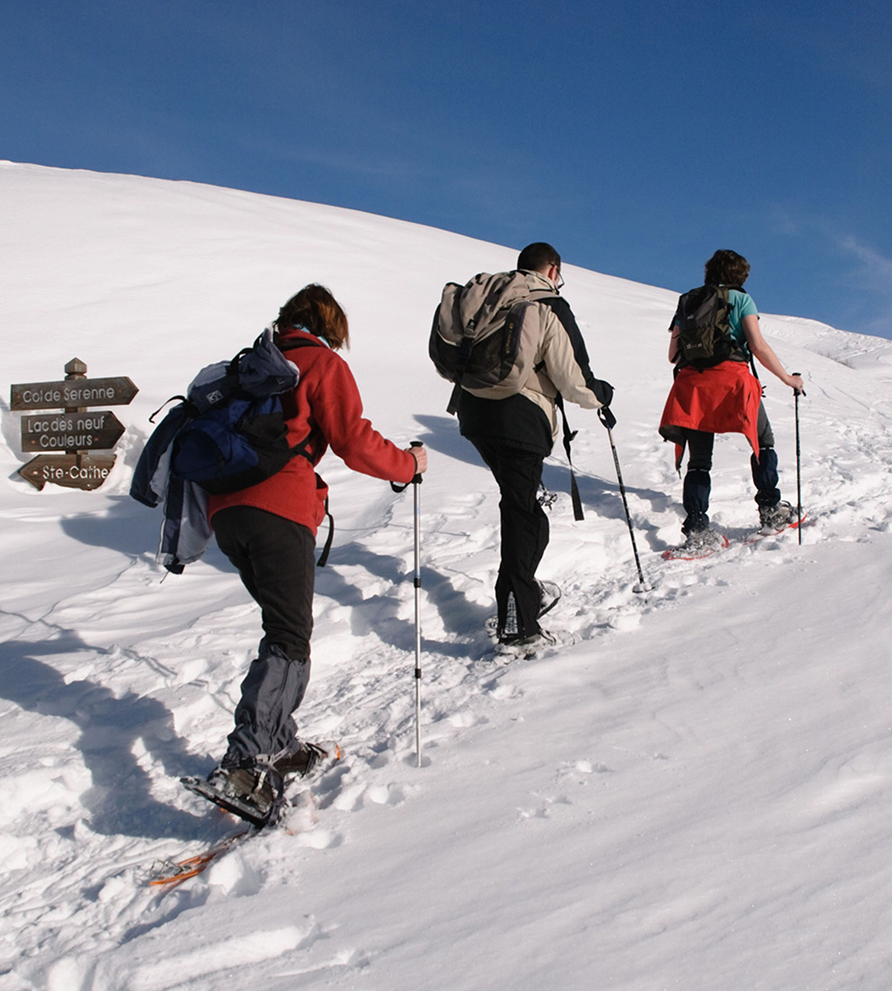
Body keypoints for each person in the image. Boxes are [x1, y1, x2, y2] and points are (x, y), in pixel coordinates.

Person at [199, 284, 427, 824]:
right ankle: (247, 763)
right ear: (330, 327)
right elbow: (353, 440)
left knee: (283, 627)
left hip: (225, 512)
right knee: (288, 636)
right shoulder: (320, 363)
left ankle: (279, 744)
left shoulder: (249, 367)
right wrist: (409, 464)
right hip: (278, 509)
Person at [455, 242, 613, 652]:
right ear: (553, 269)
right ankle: (517, 623)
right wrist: (602, 395)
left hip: (473, 414)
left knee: (520, 507)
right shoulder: (548, 305)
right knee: (524, 515)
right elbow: (573, 378)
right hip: (520, 420)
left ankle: (523, 598)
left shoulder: (491, 298)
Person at [659, 249, 803, 549]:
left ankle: (697, 528)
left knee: (699, 461)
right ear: (740, 275)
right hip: (733, 383)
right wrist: (788, 378)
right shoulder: (741, 300)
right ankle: (770, 510)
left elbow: (673, 355)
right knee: (762, 442)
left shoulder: (688, 301)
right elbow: (758, 346)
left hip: (693, 387)